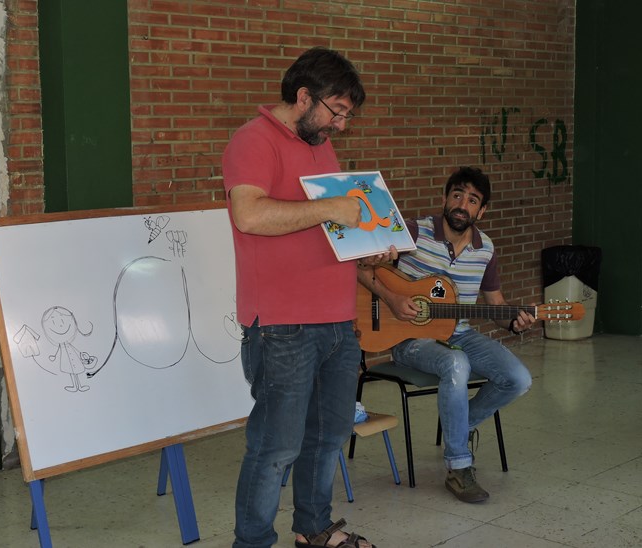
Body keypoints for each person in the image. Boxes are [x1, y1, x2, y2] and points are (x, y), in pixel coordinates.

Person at [222, 47, 391, 548]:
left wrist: (367, 246)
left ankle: (313, 529)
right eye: (336, 111)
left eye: (346, 116)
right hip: (283, 325)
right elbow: (250, 215)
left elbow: (326, 228)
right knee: (276, 447)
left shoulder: (319, 142)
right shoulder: (252, 140)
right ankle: (252, 541)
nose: (340, 125)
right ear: (303, 97)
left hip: (336, 319)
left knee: (329, 435)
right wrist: (329, 210)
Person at [357, 166, 534, 503]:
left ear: (482, 211)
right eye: (457, 195)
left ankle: (458, 425)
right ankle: (458, 465)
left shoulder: (485, 249)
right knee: (456, 363)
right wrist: (392, 299)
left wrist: (514, 322)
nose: (462, 205)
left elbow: (496, 305)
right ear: (445, 198)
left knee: (518, 378)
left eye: (472, 200)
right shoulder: (414, 232)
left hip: (460, 334)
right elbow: (360, 265)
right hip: (407, 339)